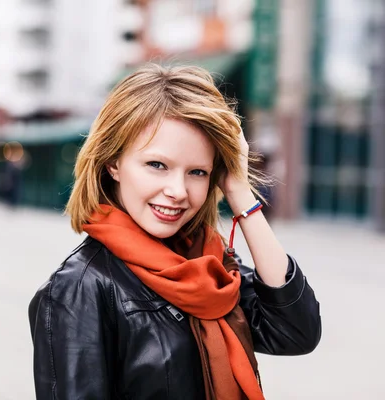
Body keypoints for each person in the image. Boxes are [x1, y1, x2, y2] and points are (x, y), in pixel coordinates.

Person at [28, 64, 321, 400]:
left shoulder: (209, 267)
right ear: (113, 164)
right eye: (157, 165)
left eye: (197, 172)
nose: (178, 190)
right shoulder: (79, 288)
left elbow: (296, 331)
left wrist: (240, 192)